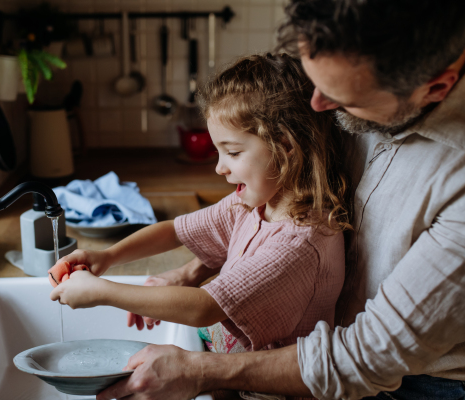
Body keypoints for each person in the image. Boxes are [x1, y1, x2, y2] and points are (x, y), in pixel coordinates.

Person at [89, 1, 465, 399]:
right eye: (314, 79)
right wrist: (193, 269)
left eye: (341, 97)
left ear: (435, 89)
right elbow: (243, 221)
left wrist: (200, 371)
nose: (317, 105)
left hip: (411, 383)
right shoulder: (359, 86)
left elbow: (367, 358)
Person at [49, 54, 351, 398]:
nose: (220, 167)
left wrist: (102, 292)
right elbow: (175, 230)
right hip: (232, 377)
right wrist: (108, 256)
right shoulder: (256, 203)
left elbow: (203, 307)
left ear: (285, 148)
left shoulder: (301, 242)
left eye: (233, 152)